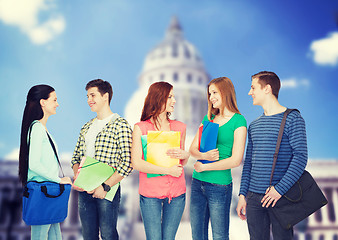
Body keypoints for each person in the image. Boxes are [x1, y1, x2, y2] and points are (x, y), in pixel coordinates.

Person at [236, 71, 308, 239]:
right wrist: (242, 195)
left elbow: (300, 157)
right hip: (253, 199)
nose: (249, 92)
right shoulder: (253, 126)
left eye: (253, 87)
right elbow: (249, 164)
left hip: (280, 198)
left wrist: (279, 190)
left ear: (267, 88)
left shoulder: (293, 119)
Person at [71, 79, 132, 240]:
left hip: (107, 191)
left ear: (105, 96)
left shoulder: (121, 125)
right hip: (85, 192)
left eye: (93, 95)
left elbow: (127, 163)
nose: (89, 100)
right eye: (87, 96)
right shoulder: (86, 127)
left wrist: (104, 187)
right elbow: (75, 158)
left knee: (108, 234)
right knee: (88, 235)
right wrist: (80, 181)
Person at [189, 77, 247, 240]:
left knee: (220, 235)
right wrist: (203, 156)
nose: (211, 97)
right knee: (198, 235)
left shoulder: (239, 121)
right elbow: (192, 149)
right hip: (197, 183)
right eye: (209, 94)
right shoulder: (208, 119)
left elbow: (236, 160)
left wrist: (205, 166)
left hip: (219, 186)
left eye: (214, 92)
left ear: (225, 92)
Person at [131, 81, 190, 240]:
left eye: (174, 96)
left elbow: (181, 161)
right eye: (170, 97)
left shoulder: (180, 127)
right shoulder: (141, 128)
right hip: (150, 194)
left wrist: (185, 156)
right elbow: (136, 163)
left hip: (177, 192)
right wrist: (167, 171)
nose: (174, 101)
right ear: (158, 98)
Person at [19, 84, 72, 239]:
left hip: (48, 193)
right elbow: (34, 164)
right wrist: (59, 179)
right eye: (54, 100)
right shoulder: (37, 128)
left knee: (55, 236)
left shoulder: (41, 129)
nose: (57, 104)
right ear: (43, 102)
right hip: (44, 192)